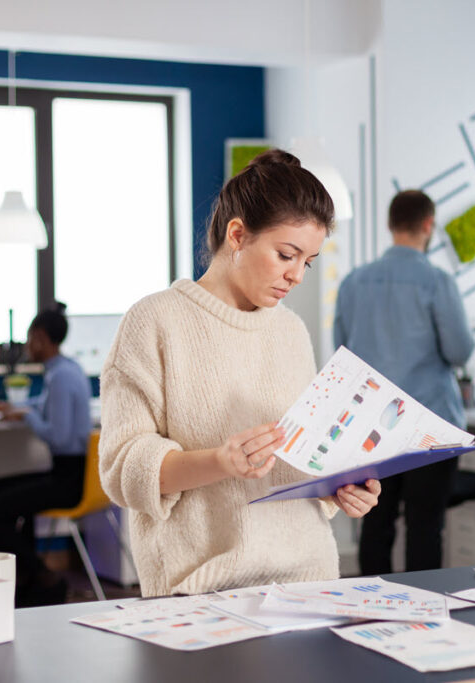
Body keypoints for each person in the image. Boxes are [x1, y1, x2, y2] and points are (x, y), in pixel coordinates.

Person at [99, 149, 381, 597]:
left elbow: (301, 459)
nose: (297, 276)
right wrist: (220, 462)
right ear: (237, 234)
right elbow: (122, 471)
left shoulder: (291, 331)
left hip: (310, 583)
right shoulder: (154, 322)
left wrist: (339, 490)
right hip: (202, 592)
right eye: (287, 255)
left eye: (306, 262)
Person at [334, 189, 474, 575]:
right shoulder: (437, 282)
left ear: (389, 225)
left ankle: (368, 608)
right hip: (430, 426)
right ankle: (422, 612)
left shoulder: (353, 283)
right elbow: (460, 352)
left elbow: (342, 357)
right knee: (425, 527)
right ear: (428, 225)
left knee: (375, 525)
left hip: (371, 429)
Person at [0, 302, 92, 605]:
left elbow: (59, 438)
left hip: (68, 480)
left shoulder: (60, 377)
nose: (27, 345)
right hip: (69, 473)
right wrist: (12, 408)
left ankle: (42, 574)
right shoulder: (67, 369)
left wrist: (27, 417)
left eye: (29, 338)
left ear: (40, 337)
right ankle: (29, 579)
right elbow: (45, 405)